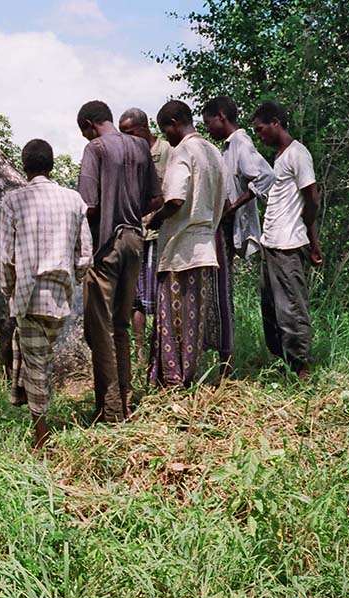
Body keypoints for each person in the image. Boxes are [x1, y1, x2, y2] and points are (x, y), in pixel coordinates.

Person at [0, 139, 92, 448]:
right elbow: (85, 254)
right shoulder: (74, 200)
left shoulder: (13, 201)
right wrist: (73, 280)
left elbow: (4, 258)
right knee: (39, 357)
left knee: (36, 364)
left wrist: (10, 291)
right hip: (60, 297)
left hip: (28, 295)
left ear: (25, 167)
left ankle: (41, 437)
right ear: (51, 165)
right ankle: (36, 414)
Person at [76, 100, 162, 422]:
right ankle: (125, 403)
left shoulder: (95, 150)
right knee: (121, 326)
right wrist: (128, 209)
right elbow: (156, 199)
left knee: (100, 331)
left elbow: (90, 206)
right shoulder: (141, 146)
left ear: (89, 124)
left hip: (107, 246)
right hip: (135, 242)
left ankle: (110, 412)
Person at [148, 101, 229, 387]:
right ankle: (189, 377)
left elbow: (175, 199)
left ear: (173, 122)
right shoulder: (213, 152)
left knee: (173, 320)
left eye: (165, 130)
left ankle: (173, 381)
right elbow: (225, 200)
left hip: (181, 250)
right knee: (193, 324)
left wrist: (156, 219)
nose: (166, 137)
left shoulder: (183, 151)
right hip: (206, 248)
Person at [201, 96, 276, 376]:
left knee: (223, 293)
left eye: (209, 123)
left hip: (230, 227)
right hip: (223, 227)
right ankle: (223, 364)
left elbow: (266, 176)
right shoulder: (227, 148)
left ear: (222, 117)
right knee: (219, 291)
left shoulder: (241, 144)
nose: (208, 129)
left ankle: (227, 367)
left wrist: (234, 205)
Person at [251, 101, 322, 381]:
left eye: (261, 129)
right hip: (271, 243)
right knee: (271, 309)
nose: (260, 135)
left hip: (288, 245)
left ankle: (302, 369)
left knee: (292, 308)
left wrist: (310, 241)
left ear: (276, 123)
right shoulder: (280, 157)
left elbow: (312, 198)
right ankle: (285, 363)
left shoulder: (298, 154)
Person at [118, 107, 174, 365]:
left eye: (130, 132)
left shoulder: (167, 151)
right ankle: (140, 353)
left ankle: (163, 351)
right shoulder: (126, 155)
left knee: (162, 295)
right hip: (135, 232)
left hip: (162, 232)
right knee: (135, 298)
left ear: (144, 128)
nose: (126, 138)